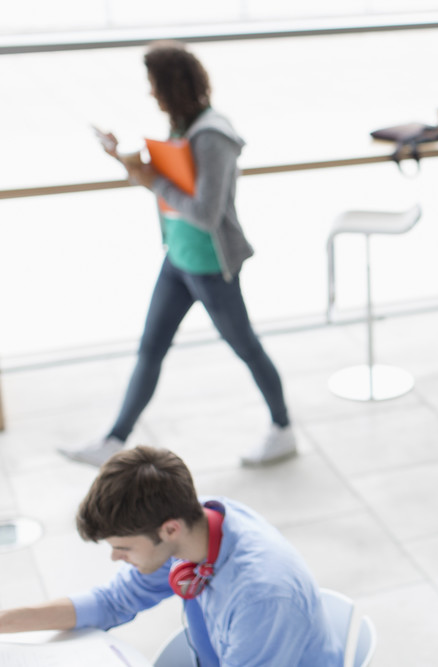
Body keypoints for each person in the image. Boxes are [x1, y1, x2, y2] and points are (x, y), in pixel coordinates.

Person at [59, 41, 295, 468]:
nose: (151, 94)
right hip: (179, 259)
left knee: (246, 347)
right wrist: (125, 160)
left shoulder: (211, 135)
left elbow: (205, 211)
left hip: (209, 265)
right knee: (150, 348)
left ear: (171, 86)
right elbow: (172, 186)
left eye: (154, 85)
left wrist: (151, 181)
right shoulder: (182, 125)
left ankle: (283, 430)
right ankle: (114, 438)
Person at [0, 446, 342, 665]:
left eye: (124, 547)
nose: (115, 558)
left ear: (169, 530)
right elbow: (111, 602)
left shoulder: (262, 596)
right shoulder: (192, 522)